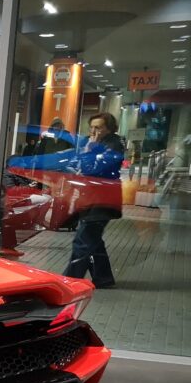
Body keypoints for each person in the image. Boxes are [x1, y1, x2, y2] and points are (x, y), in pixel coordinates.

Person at [62, 112, 123, 288]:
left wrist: (89, 150)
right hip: (94, 199)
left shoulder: (112, 146)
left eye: (99, 127)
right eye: (92, 127)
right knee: (94, 241)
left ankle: (69, 281)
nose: (93, 131)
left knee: (82, 242)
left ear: (109, 129)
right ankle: (103, 277)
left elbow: (91, 170)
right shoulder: (102, 144)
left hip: (101, 201)